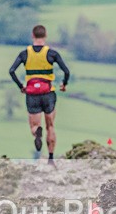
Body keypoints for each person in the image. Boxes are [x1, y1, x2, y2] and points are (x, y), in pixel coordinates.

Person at [8, 24, 71, 166]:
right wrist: (64, 84)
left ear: (32, 36)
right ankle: (50, 158)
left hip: (32, 95)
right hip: (48, 94)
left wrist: (21, 87)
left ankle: (37, 132)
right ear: (45, 36)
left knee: (34, 126)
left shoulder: (25, 53)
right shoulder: (52, 53)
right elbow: (66, 71)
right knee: (51, 126)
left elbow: (11, 71)